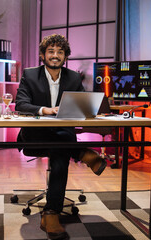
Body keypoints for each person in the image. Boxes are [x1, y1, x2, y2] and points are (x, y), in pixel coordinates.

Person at [15, 34, 106, 239]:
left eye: (60, 52)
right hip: (35, 135)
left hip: (62, 135)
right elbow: (20, 104)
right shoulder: (30, 75)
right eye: (51, 51)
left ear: (65, 56)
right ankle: (82, 153)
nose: (55, 56)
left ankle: (51, 213)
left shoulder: (73, 77)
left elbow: (81, 104)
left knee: (59, 153)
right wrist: (45, 110)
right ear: (42, 54)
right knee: (62, 146)